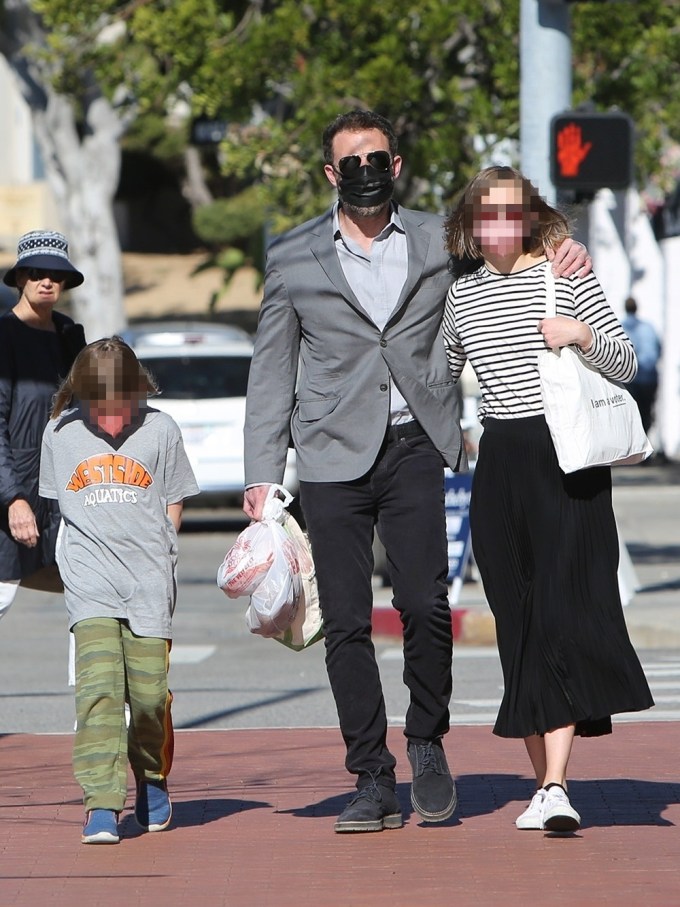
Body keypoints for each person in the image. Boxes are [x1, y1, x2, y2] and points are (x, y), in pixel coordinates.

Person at [243, 109, 591, 834]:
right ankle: (371, 773)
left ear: (394, 164)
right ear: (331, 174)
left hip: (412, 445)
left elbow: (510, 234)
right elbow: (271, 370)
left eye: (378, 158)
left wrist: (564, 246)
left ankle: (427, 742)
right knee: (344, 622)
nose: (367, 170)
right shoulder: (295, 254)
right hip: (331, 456)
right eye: (352, 161)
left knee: (427, 607)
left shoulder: (440, 236)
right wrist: (262, 471)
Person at [442, 166, 654, 833]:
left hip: (567, 459)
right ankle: (544, 785)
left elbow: (627, 363)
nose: (499, 225)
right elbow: (437, 377)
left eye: (511, 212)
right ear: (471, 225)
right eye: (486, 214)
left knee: (564, 612)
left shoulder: (564, 275)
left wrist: (581, 335)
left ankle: (558, 783)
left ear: (530, 217)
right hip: (500, 460)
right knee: (520, 622)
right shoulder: (462, 295)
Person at [39, 337, 199, 844]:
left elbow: (174, 500)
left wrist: (164, 550)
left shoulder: (161, 429)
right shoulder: (60, 434)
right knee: (99, 692)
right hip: (90, 581)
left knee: (149, 695)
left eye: (121, 405)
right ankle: (101, 802)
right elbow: (57, 506)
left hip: (149, 579)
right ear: (80, 394)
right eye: (100, 408)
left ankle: (152, 775)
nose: (111, 420)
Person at [0, 230, 86, 621]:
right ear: (20, 279)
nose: (47, 281)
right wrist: (13, 500)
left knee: (90, 601)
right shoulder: (4, 337)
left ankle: (95, 685)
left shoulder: (70, 335)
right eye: (36, 273)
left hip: (64, 494)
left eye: (56, 273)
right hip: (14, 495)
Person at [621, 296, 661, 435]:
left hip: (631, 380)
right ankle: (647, 451)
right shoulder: (648, 327)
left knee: (632, 416)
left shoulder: (621, 327)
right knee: (647, 413)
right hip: (649, 378)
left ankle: (639, 452)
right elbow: (659, 350)